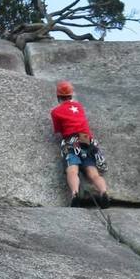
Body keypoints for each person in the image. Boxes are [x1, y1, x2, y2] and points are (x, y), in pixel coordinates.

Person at [50, 80, 110, 208]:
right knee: (93, 173)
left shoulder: (56, 112)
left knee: (72, 170)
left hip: (71, 140)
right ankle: (103, 192)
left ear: (58, 96)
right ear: (71, 95)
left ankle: (75, 194)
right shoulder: (79, 107)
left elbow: (58, 130)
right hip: (86, 139)